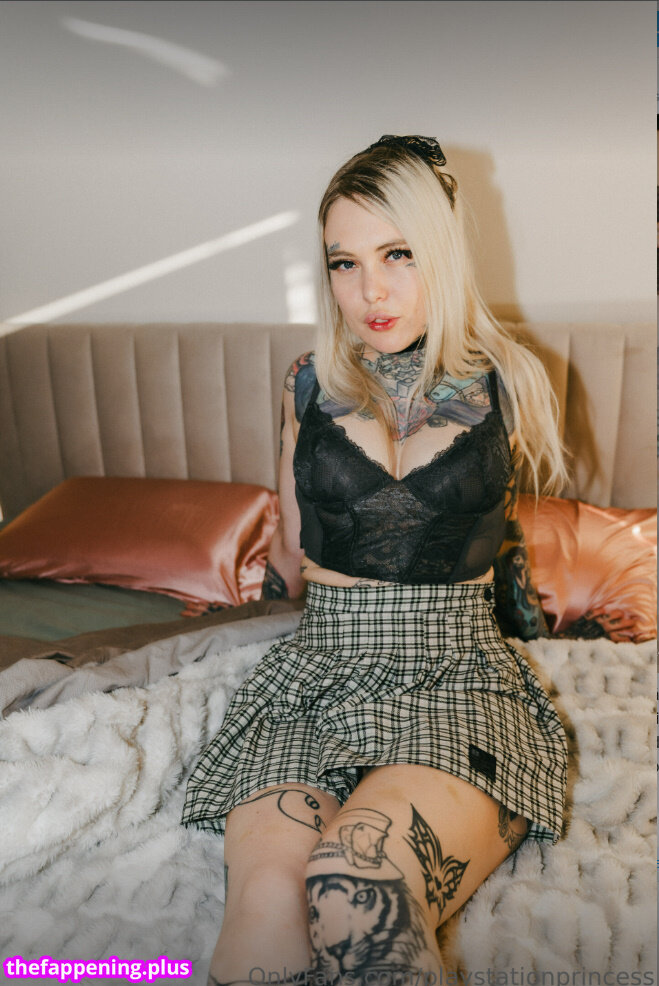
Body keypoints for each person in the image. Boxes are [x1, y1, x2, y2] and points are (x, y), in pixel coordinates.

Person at [182, 135, 568, 984]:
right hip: (316, 671)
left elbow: (509, 534)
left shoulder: (510, 379)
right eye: (343, 263)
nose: (371, 291)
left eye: (398, 254)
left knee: (353, 877)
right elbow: (290, 545)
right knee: (265, 901)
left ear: (442, 251)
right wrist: (236, 606)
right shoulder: (306, 382)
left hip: (454, 673)